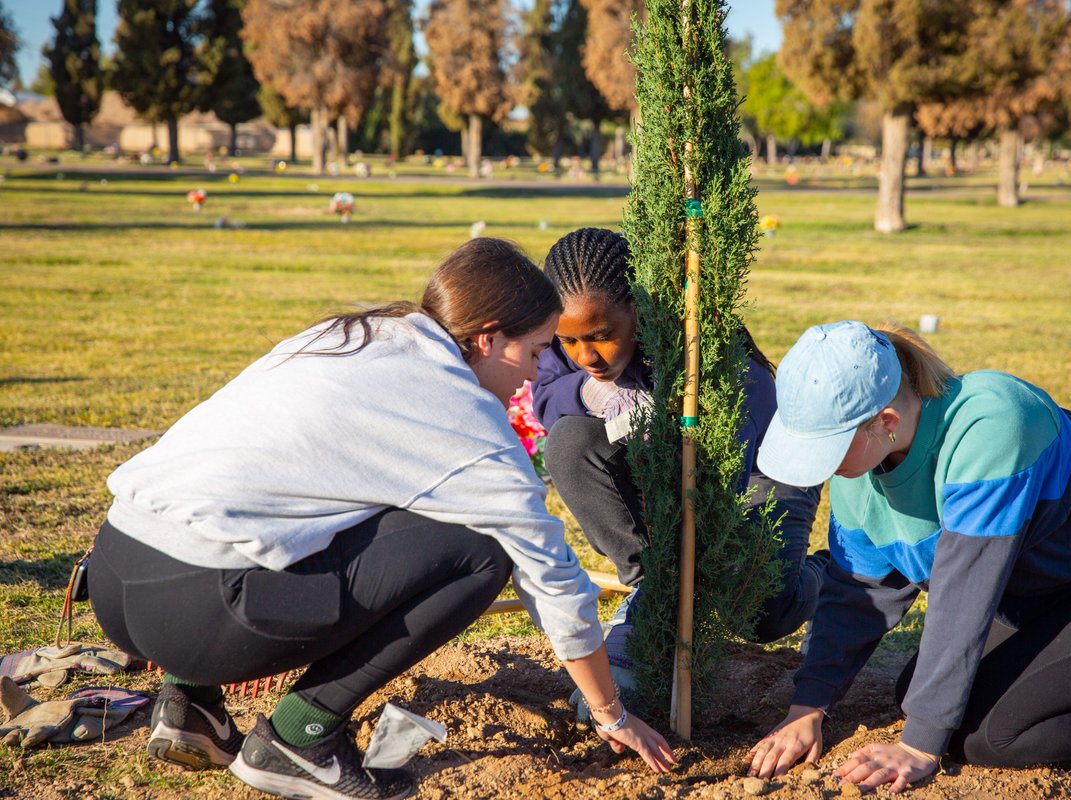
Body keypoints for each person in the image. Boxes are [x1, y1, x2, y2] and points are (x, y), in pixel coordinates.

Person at [87, 238, 676, 800]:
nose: (538, 370)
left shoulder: (359, 334)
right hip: (200, 610)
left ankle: (192, 708)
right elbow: (550, 575)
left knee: (314, 510)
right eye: (538, 349)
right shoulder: (461, 415)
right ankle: (300, 738)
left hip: (115, 573)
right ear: (489, 338)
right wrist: (610, 712)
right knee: (482, 552)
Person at [746, 320, 1071, 792]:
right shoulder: (860, 470)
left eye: (828, 446)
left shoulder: (993, 425)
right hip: (1064, 593)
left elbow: (964, 595)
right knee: (920, 696)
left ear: (886, 422)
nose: (819, 466)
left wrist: (919, 747)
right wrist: (808, 707)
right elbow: (859, 593)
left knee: (993, 735)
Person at [531, 227, 828, 678]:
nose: (584, 354)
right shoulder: (570, 334)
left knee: (761, 610)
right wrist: (601, 393)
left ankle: (831, 579)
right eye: (569, 341)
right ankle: (646, 583)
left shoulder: (708, 351)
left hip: (757, 470)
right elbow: (547, 398)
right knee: (569, 441)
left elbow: (719, 487)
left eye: (601, 335)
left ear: (638, 307)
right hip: (664, 465)